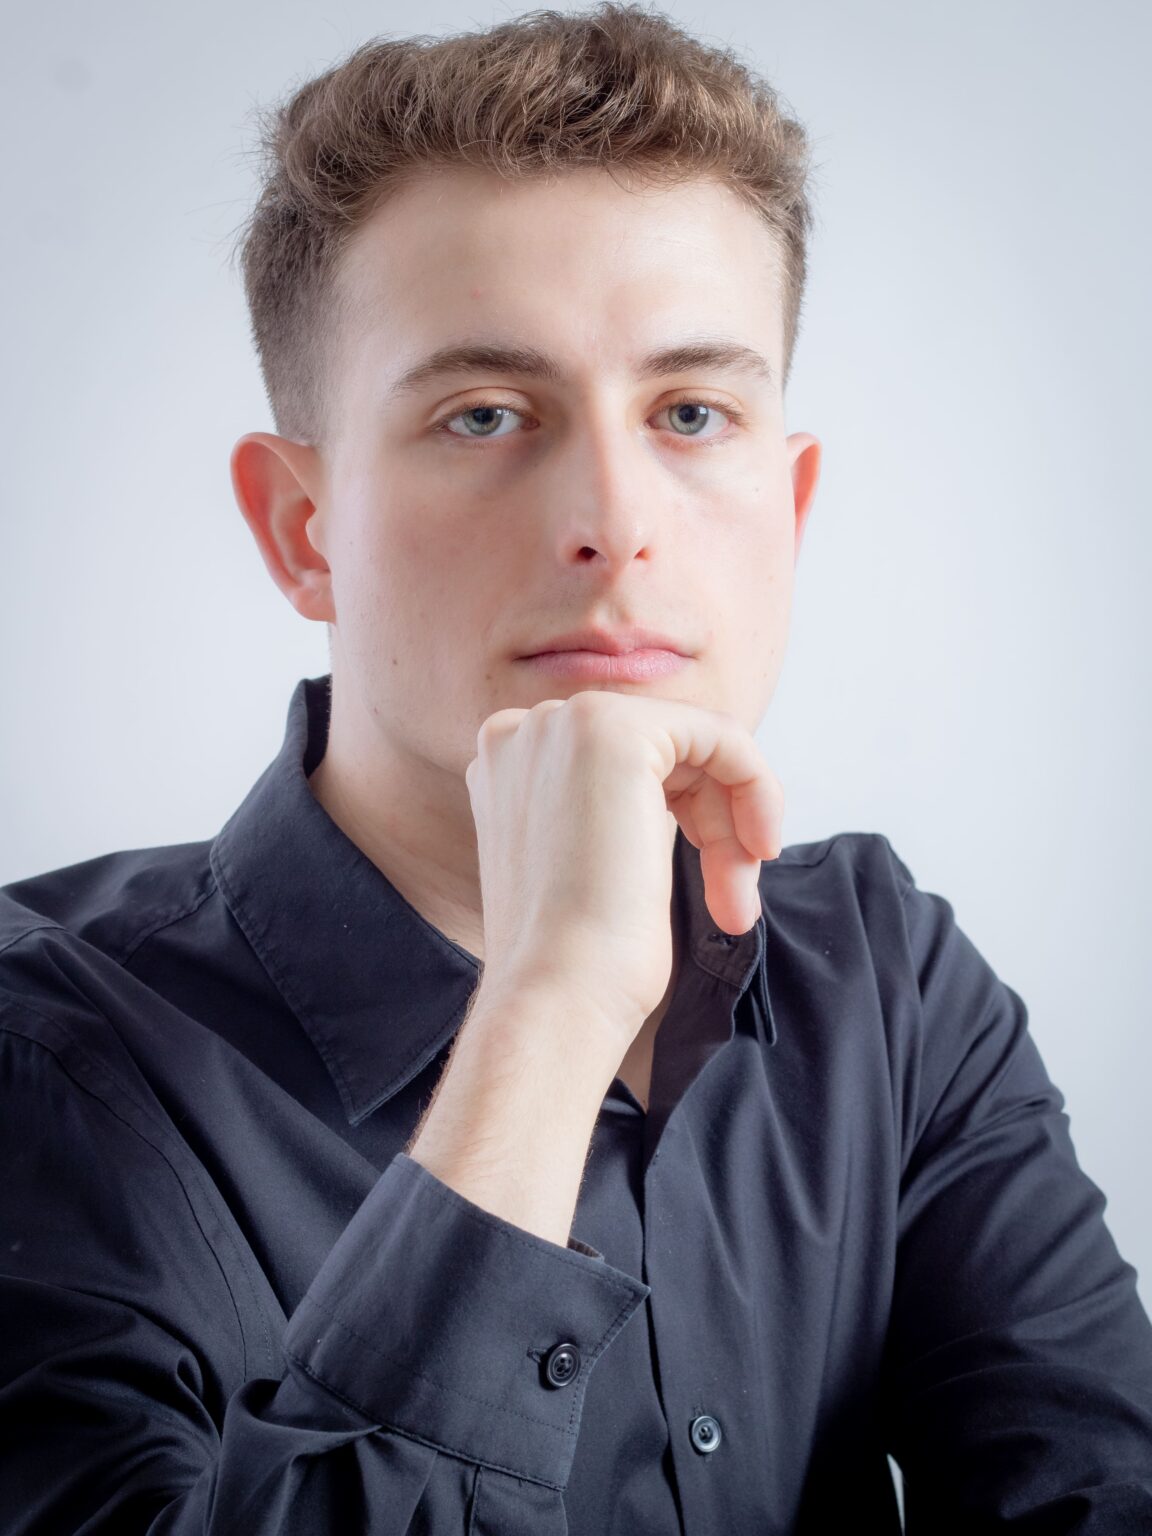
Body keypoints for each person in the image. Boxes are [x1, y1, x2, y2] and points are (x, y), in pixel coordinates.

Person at [2, 2, 1150, 1531]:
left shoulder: (893, 989)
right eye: (485, 414)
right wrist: (547, 1014)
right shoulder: (43, 1057)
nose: (614, 519)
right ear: (302, 530)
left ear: (791, 506)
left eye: (693, 413)